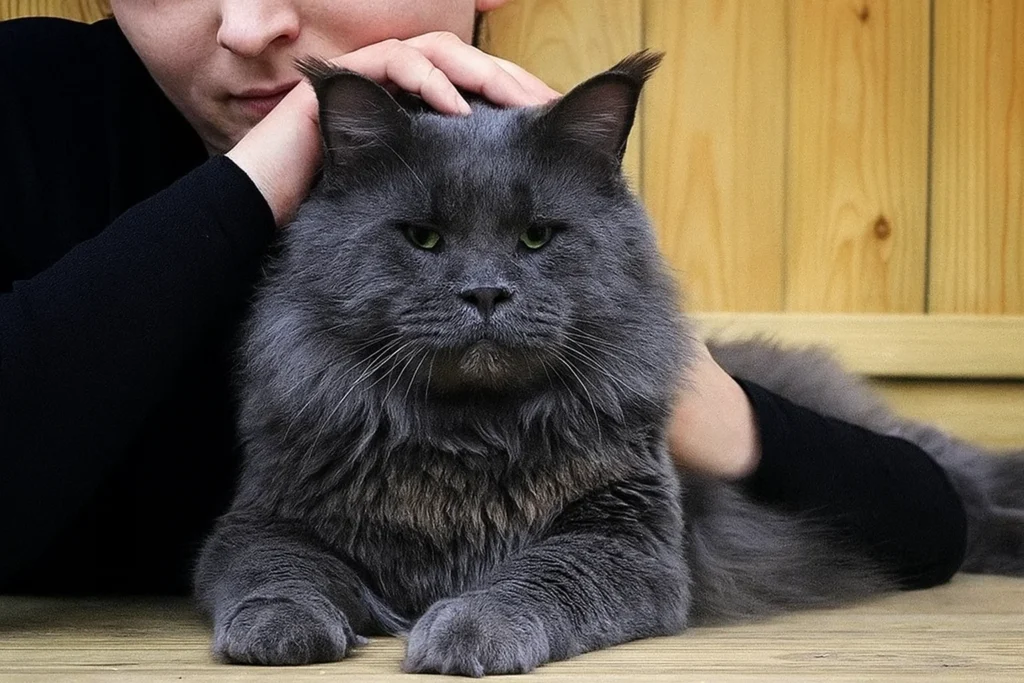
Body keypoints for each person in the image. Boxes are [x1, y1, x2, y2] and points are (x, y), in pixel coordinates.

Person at [0, 0, 966, 596]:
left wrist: (718, 413)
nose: (249, 27)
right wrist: (258, 178)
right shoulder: (27, 102)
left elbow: (926, 522)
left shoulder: (534, 180)